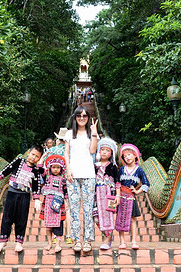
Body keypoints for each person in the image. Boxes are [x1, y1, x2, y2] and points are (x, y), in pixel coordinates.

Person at [0, 145, 44, 253]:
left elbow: (36, 185)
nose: (33, 157)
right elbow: (7, 169)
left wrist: (36, 198)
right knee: (7, 217)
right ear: (29, 153)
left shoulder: (36, 171)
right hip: (12, 193)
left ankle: (19, 243)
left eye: (37, 156)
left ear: (39, 159)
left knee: (21, 219)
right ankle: (3, 241)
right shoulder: (19, 161)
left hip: (25, 196)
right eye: (32, 154)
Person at [64, 105, 98, 253]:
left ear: (88, 118)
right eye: (79, 116)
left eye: (85, 116)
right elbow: (66, 153)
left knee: (88, 209)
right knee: (74, 208)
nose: (82, 118)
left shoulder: (91, 134)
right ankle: (77, 239)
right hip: (73, 175)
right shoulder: (70, 134)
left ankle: (88, 241)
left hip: (89, 174)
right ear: (75, 118)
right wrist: (68, 169)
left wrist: (95, 134)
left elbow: (92, 151)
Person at [116, 143, 150, 250]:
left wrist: (137, 191)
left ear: (135, 156)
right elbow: (117, 183)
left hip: (131, 197)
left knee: (133, 220)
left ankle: (134, 241)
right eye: (125, 156)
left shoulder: (139, 170)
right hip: (121, 196)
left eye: (130, 155)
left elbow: (146, 184)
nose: (127, 158)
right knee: (120, 218)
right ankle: (122, 242)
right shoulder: (121, 170)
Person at [93, 137, 120, 250]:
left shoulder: (113, 167)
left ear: (111, 153)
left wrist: (117, 195)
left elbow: (118, 181)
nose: (104, 152)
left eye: (107, 150)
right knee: (96, 217)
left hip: (110, 193)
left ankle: (107, 239)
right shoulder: (94, 166)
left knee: (108, 217)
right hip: (96, 194)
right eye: (102, 149)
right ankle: (108, 235)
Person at [39, 154, 68, 253]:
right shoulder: (47, 177)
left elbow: (66, 191)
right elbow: (39, 170)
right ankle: (49, 243)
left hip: (58, 204)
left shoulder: (63, 180)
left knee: (59, 224)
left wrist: (67, 202)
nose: (56, 169)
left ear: (61, 168)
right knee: (48, 225)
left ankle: (58, 244)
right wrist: (42, 158)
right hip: (47, 202)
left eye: (58, 167)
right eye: (54, 167)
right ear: (50, 168)